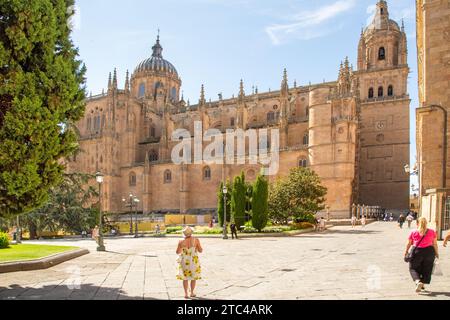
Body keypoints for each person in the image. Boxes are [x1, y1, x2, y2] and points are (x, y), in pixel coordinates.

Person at [404, 217, 439, 293]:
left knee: (413, 268)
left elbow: (409, 243)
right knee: (427, 268)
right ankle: (422, 283)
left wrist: (406, 251)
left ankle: (418, 282)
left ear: (417, 223)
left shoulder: (413, 232)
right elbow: (435, 244)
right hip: (430, 251)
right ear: (426, 223)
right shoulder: (432, 231)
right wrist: (437, 253)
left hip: (417, 251)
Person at [176, 226, 203, 299]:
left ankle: (185, 294)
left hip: (185, 261)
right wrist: (196, 248)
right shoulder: (196, 240)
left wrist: (182, 248)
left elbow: (177, 252)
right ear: (191, 233)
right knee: (193, 278)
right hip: (194, 261)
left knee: (185, 278)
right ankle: (192, 293)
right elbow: (200, 250)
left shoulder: (181, 241)